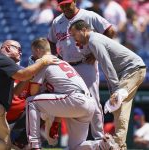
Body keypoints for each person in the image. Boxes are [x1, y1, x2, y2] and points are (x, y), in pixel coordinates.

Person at [26, 38, 119, 150]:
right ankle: (102, 145)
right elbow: (61, 94)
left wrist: (32, 77)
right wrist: (56, 122)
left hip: (75, 99)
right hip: (88, 103)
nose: (33, 56)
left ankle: (34, 145)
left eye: (33, 53)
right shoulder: (63, 62)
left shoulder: (43, 62)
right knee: (76, 147)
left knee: (31, 101)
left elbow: (33, 92)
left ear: (37, 50)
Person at [69, 20, 146, 150]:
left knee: (119, 105)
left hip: (132, 70)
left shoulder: (93, 41)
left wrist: (115, 90)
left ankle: (118, 145)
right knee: (120, 108)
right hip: (132, 71)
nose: (73, 38)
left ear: (83, 30)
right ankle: (120, 146)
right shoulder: (95, 39)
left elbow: (106, 65)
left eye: (74, 34)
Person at [47, 0, 116, 140]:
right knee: (69, 101)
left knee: (94, 101)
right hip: (67, 67)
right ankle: (75, 139)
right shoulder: (57, 21)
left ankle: (99, 138)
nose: (65, 7)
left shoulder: (88, 16)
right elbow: (51, 42)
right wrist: (56, 57)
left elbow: (110, 31)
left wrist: (96, 52)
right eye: (62, 5)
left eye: (68, 4)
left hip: (86, 64)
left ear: (74, 1)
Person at [0, 40, 59, 150]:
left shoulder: (5, 65)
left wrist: (30, 75)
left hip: (7, 116)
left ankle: (20, 143)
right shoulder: (3, 59)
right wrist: (42, 61)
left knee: (4, 144)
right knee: (3, 145)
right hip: (2, 111)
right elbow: (22, 75)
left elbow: (16, 92)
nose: (21, 53)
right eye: (18, 49)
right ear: (7, 48)